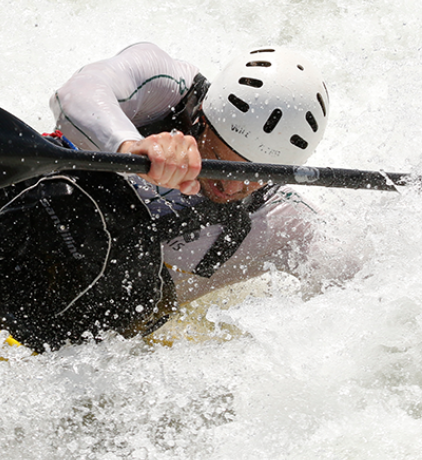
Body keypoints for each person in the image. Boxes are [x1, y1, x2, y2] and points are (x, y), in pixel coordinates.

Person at [50, 42, 345, 309]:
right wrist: (130, 145)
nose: (229, 188)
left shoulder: (286, 219)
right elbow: (76, 93)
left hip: (108, 315)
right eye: (220, 162)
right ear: (201, 119)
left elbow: (363, 291)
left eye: (253, 178)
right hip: (46, 227)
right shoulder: (166, 91)